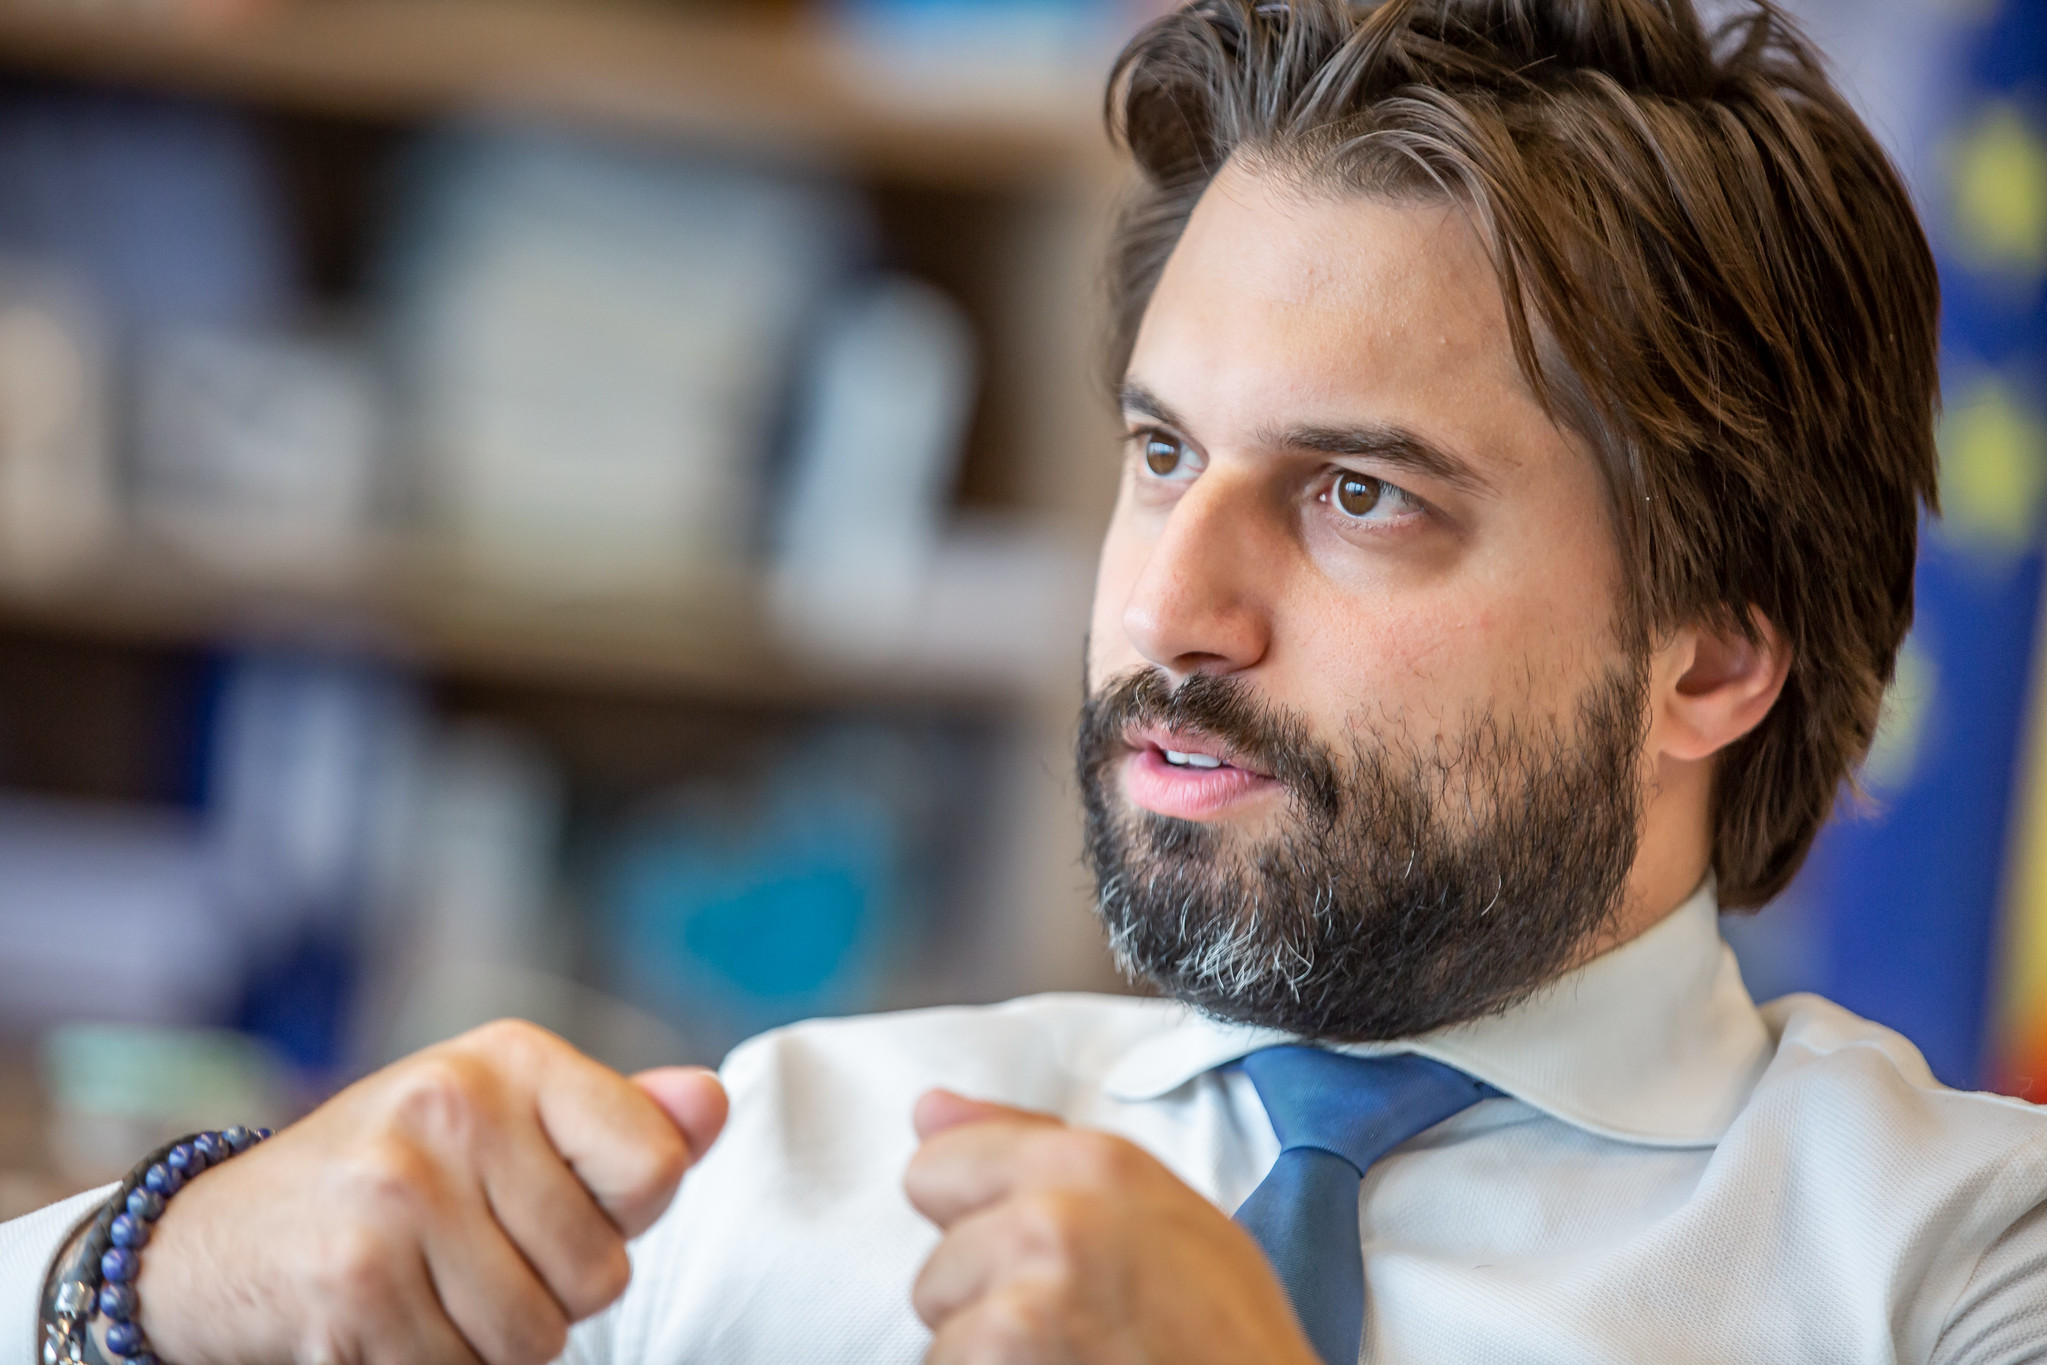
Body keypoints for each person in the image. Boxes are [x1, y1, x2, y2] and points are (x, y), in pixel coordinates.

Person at [9, 0, 2046, 1361]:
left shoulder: (1964, 1263)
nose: (1176, 602)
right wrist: (167, 1270)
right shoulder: (756, 1159)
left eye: (1356, 494)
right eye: (1160, 453)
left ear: (1716, 652)